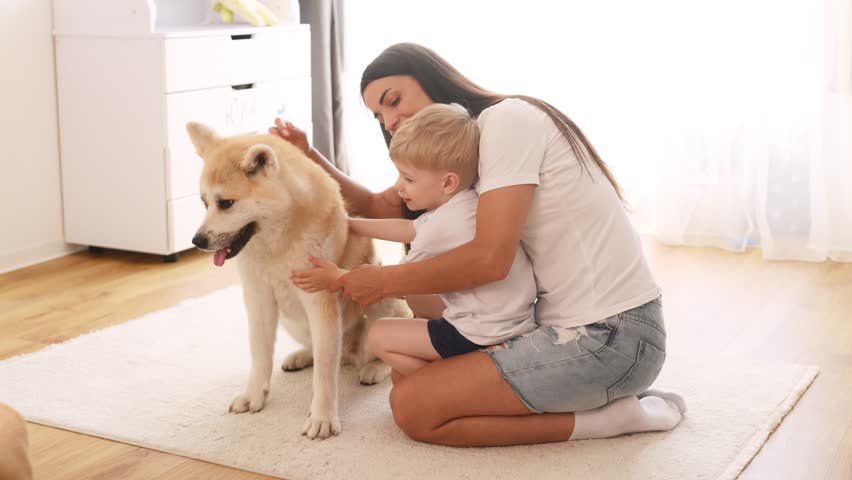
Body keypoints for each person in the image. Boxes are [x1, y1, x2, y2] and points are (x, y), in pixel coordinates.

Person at [273, 42, 686, 447]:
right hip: (551, 326)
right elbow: (385, 207)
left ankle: (613, 420)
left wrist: (380, 282)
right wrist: (309, 154)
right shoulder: (463, 159)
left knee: (413, 409)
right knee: (408, 372)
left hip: (612, 336)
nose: (390, 120)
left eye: (393, 100)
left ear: (429, 76)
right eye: (379, 116)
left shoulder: (505, 123)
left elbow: (491, 261)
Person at [291, 103, 537, 377]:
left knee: (381, 335)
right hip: (517, 321)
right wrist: (352, 225)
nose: (398, 186)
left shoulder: (441, 227)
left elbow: (395, 281)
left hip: (479, 333)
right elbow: (410, 229)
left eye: (408, 178)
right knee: (415, 324)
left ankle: (443, 382)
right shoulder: (468, 202)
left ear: (447, 183)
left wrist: (337, 277)